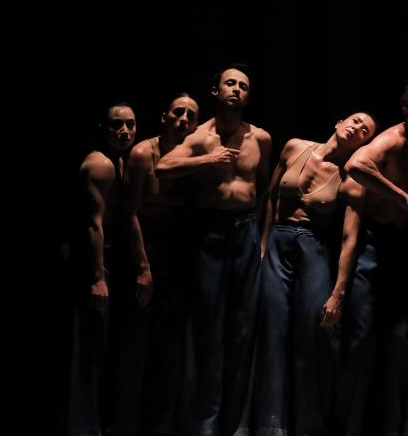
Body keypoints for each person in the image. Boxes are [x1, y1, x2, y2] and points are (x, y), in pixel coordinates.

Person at [157, 64, 272, 436]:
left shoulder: (261, 138)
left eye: (243, 85)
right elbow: (163, 167)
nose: (236, 89)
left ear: (248, 96)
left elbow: (265, 191)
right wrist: (206, 160)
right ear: (215, 91)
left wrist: (262, 239)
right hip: (210, 230)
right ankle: (203, 424)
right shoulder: (201, 136)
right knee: (207, 326)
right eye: (230, 83)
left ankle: (237, 424)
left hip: (245, 230)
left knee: (242, 327)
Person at [252, 111, 376, 436]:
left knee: (313, 332)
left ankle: (310, 426)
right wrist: (262, 244)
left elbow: (350, 239)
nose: (357, 128)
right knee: (272, 328)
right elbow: (271, 196)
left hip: (313, 245)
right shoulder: (294, 146)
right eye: (355, 121)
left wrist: (339, 293)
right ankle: (270, 425)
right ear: (339, 122)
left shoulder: (351, 179)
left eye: (365, 131)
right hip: (278, 240)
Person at [342, 76, 408, 435]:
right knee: (360, 338)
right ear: (406, 112)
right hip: (372, 242)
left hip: (405, 245)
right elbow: (355, 165)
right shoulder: (392, 140)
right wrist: (402, 197)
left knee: (401, 343)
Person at [107, 93, 199, 435]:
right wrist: (143, 267)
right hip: (145, 245)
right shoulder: (144, 153)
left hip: (177, 248)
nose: (184, 120)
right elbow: (129, 213)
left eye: (191, 115)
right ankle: (124, 423)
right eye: (178, 112)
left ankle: (161, 423)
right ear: (164, 117)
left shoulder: (195, 155)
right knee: (135, 340)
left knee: (169, 342)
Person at [63, 101, 137, 436]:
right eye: (116, 125)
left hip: (109, 257)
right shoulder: (101, 164)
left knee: (103, 345)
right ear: (103, 129)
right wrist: (98, 278)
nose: (124, 131)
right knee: (88, 345)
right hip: (93, 259)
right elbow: (94, 225)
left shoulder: (120, 161)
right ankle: (83, 426)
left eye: (130, 124)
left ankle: (97, 422)